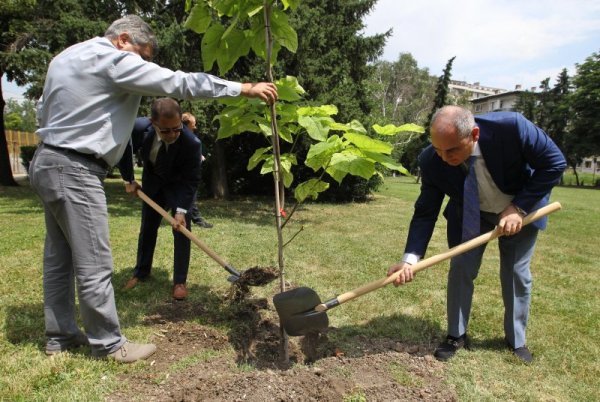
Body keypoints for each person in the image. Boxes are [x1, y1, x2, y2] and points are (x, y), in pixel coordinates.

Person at [29, 15, 277, 363]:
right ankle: (109, 344)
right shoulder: (113, 60)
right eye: (143, 57)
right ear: (123, 39)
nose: (143, 66)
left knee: (59, 258)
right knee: (94, 263)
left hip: (48, 160)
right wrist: (243, 88)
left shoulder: (67, 57)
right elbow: (178, 83)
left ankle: (61, 337)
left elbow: (47, 110)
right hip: (76, 169)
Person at [387, 105, 566, 363]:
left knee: (516, 273)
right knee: (461, 268)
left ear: (474, 134)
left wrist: (518, 208)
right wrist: (409, 259)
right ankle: (456, 335)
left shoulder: (511, 128)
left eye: (452, 150)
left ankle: (516, 340)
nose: (444, 157)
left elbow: (554, 162)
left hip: (519, 209)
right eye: (438, 149)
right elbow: (425, 212)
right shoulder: (431, 161)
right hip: (471, 212)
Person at [120, 99, 201, 300]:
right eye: (165, 131)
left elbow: (191, 180)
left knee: (182, 230)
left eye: (177, 129)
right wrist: (129, 178)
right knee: (147, 227)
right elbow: (123, 147)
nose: (172, 135)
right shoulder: (138, 128)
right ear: (153, 123)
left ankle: (180, 281)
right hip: (153, 183)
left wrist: (181, 211)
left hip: (178, 185)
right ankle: (141, 272)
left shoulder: (192, 143)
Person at [181, 112, 213, 229]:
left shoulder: (189, 136)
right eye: (193, 124)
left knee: (189, 197)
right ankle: (197, 220)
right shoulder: (183, 137)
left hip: (188, 173)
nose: (195, 126)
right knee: (190, 197)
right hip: (185, 175)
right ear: (187, 124)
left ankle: (196, 219)